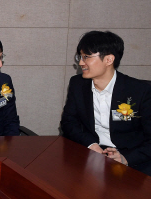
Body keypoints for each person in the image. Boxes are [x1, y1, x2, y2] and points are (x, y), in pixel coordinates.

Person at [61, 31, 151, 176]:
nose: (81, 62)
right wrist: (92, 145)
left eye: (86, 57)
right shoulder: (78, 84)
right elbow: (69, 122)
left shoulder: (140, 91)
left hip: (132, 158)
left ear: (109, 59)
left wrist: (125, 158)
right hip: (90, 153)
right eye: (80, 57)